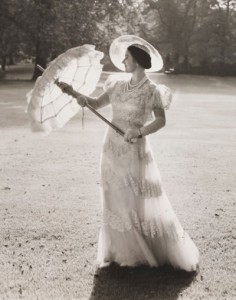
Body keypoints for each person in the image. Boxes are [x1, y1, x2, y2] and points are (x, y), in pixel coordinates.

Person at [60, 36, 199, 272]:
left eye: (126, 57)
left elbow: (161, 121)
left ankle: (138, 251)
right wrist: (74, 93)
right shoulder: (115, 85)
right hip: (111, 149)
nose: (123, 60)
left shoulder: (151, 91)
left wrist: (139, 131)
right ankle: (117, 252)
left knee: (132, 200)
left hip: (134, 149)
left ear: (136, 61)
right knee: (112, 197)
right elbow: (94, 102)